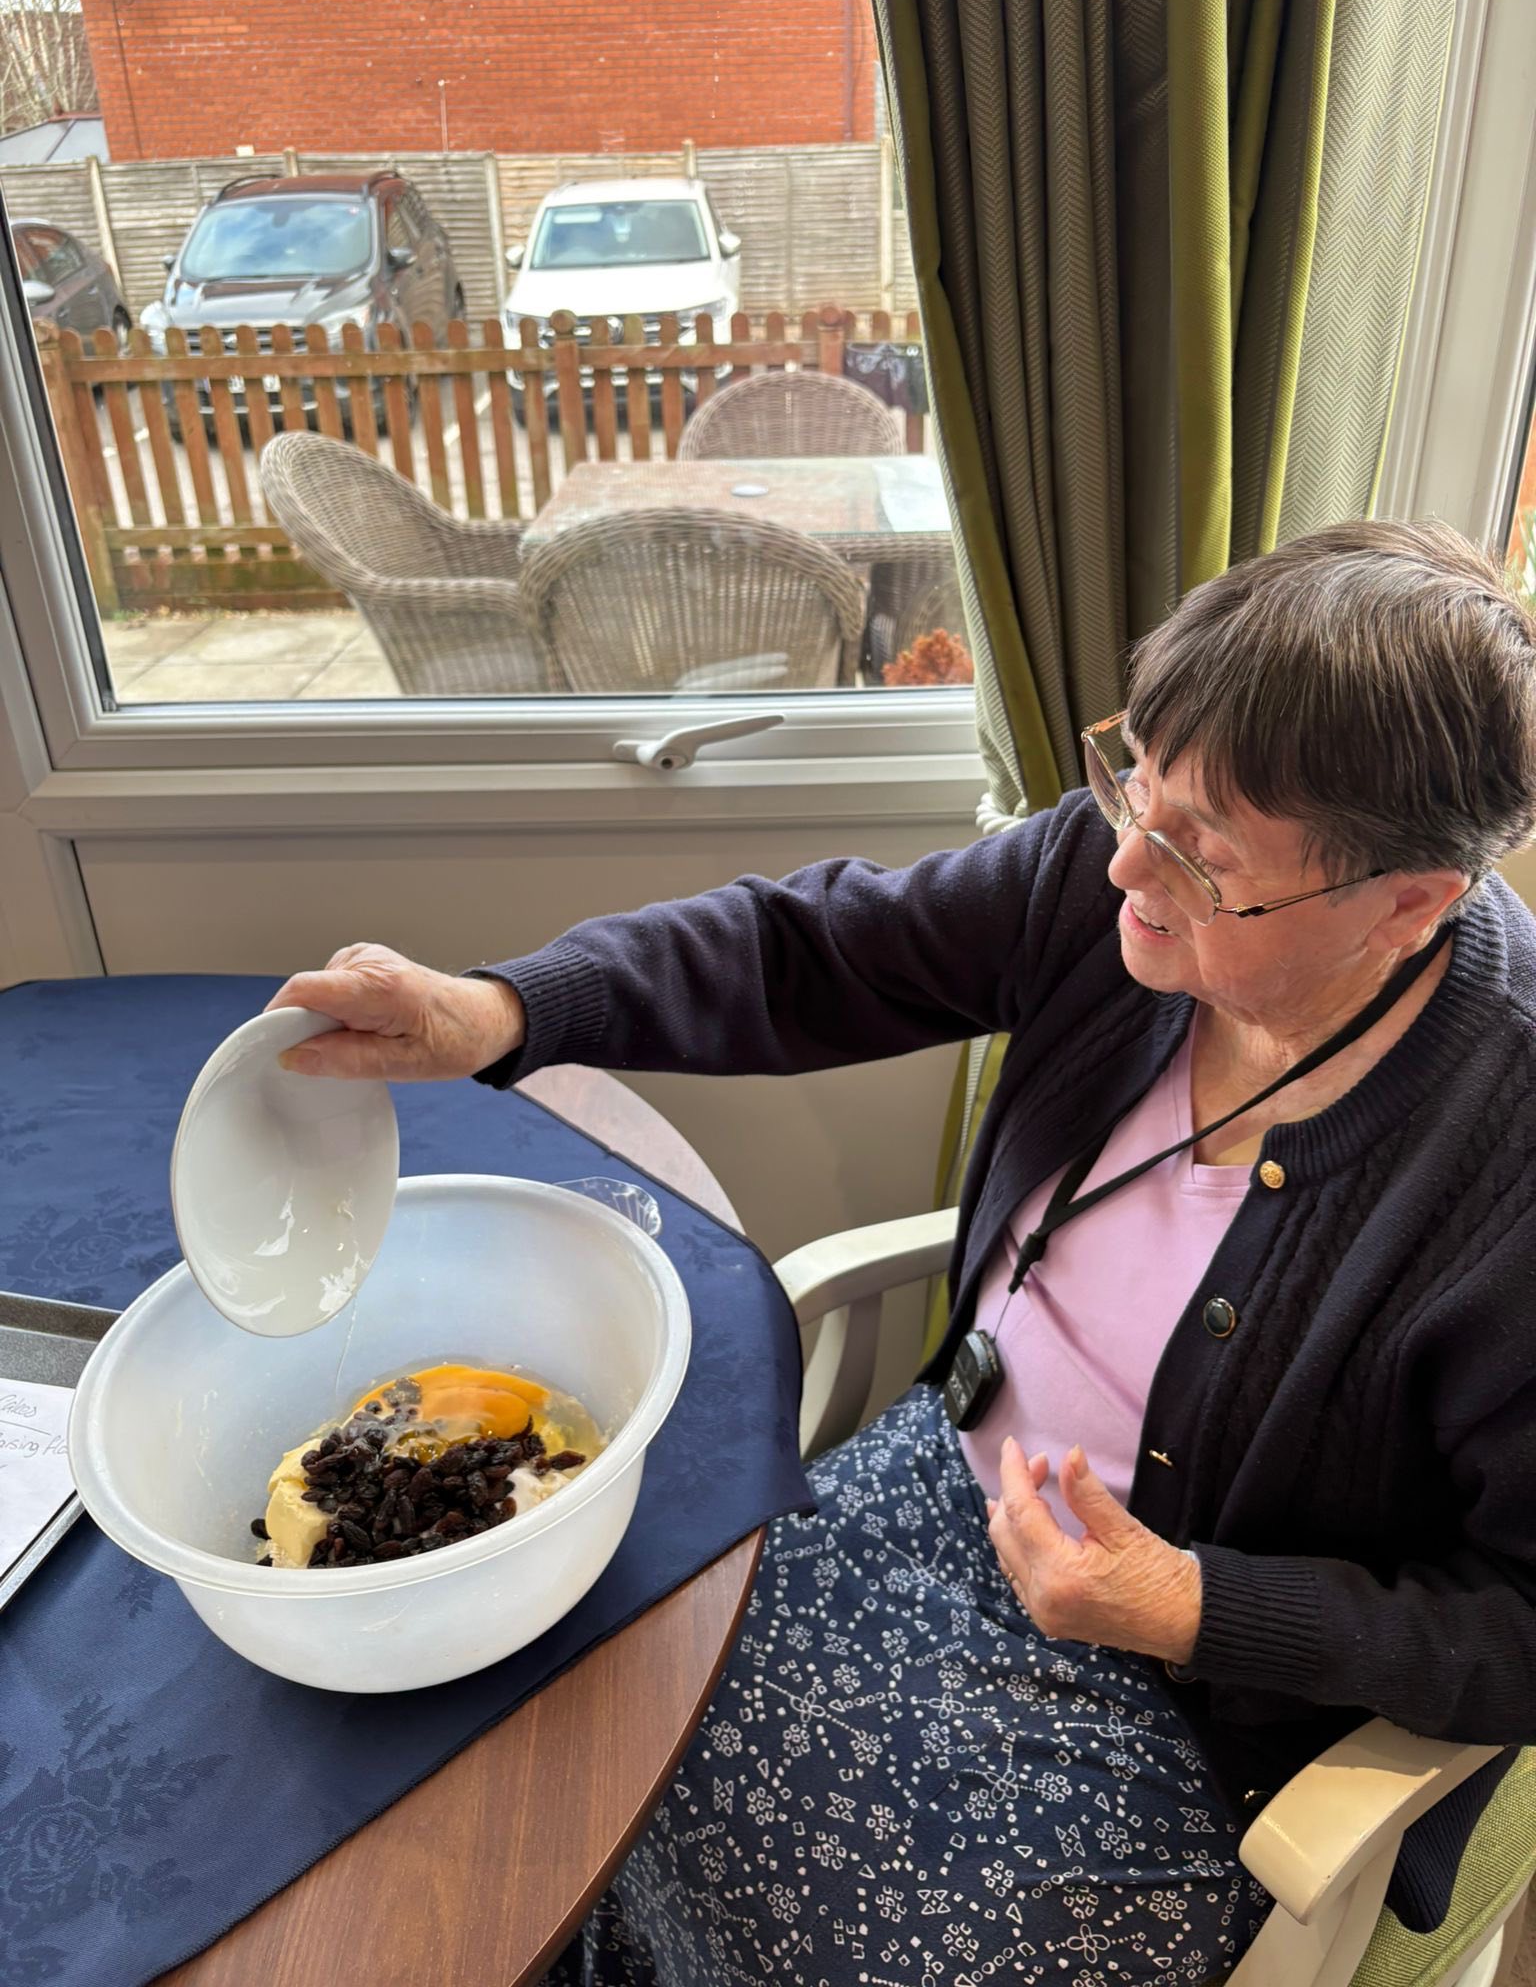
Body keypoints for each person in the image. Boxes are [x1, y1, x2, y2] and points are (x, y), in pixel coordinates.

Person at [270, 519, 1536, 1985]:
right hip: (935, 1480)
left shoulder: (1505, 1164)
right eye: (1137, 777)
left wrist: (1193, 1605)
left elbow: (1517, 1625)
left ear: (1408, 903)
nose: (1125, 860)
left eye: (1206, 854)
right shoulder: (1114, 882)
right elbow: (812, 952)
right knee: (579, 1731)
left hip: (1196, 1706)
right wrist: (506, 1011)